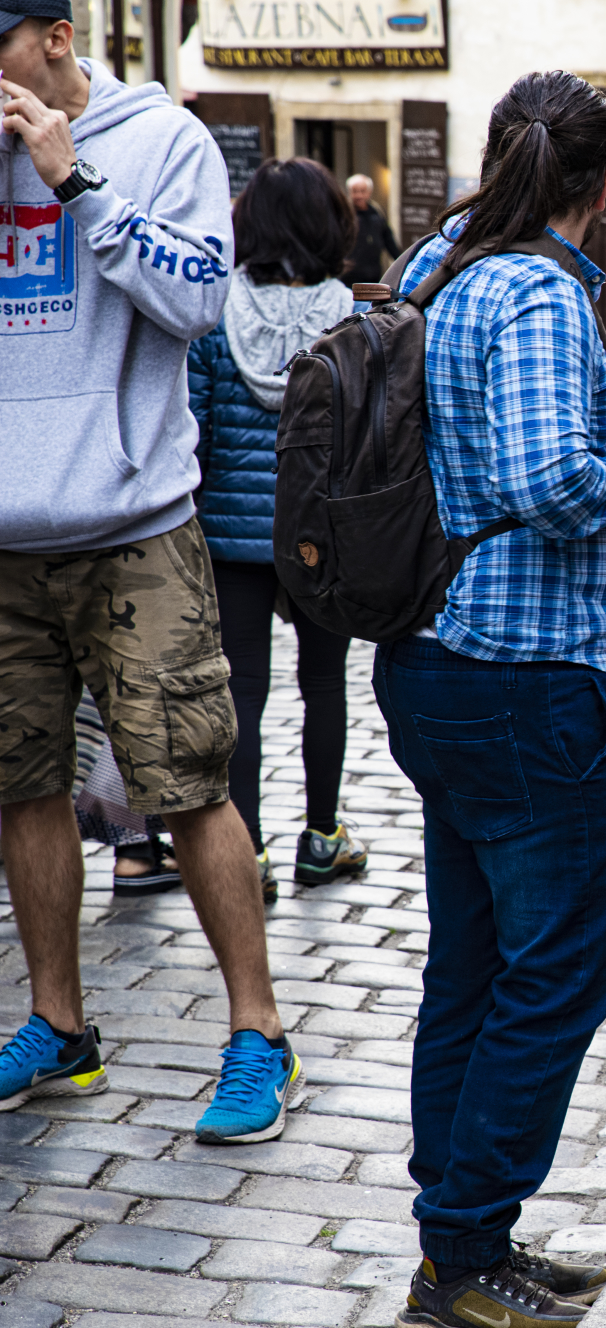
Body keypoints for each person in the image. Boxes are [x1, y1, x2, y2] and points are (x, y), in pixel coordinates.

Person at [379, 70, 606, 1328]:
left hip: (436, 662)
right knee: (557, 968)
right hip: (528, 676)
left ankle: (459, 1227)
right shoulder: (536, 294)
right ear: (601, 182)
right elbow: (550, 484)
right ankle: (463, 1252)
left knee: (471, 961)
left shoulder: (437, 266)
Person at [0, 0, 299, 1142]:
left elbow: (195, 303)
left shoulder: (161, 138)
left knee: (186, 786)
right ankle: (60, 1028)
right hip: (5, 543)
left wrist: (74, 183)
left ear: (58, 40)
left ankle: (256, 1032)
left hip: (133, 527)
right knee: (22, 789)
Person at [189, 157, 368, 898]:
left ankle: (250, 852)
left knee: (244, 695)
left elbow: (192, 433)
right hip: (323, 534)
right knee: (324, 683)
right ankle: (322, 838)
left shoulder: (212, 315)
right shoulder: (353, 321)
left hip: (233, 541)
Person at [342, 173, 402, 286]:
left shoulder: (377, 212)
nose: (359, 195)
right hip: (348, 277)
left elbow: (389, 240)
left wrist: (402, 261)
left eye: (362, 191)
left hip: (374, 275)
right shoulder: (343, 213)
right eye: (355, 191)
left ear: (369, 192)